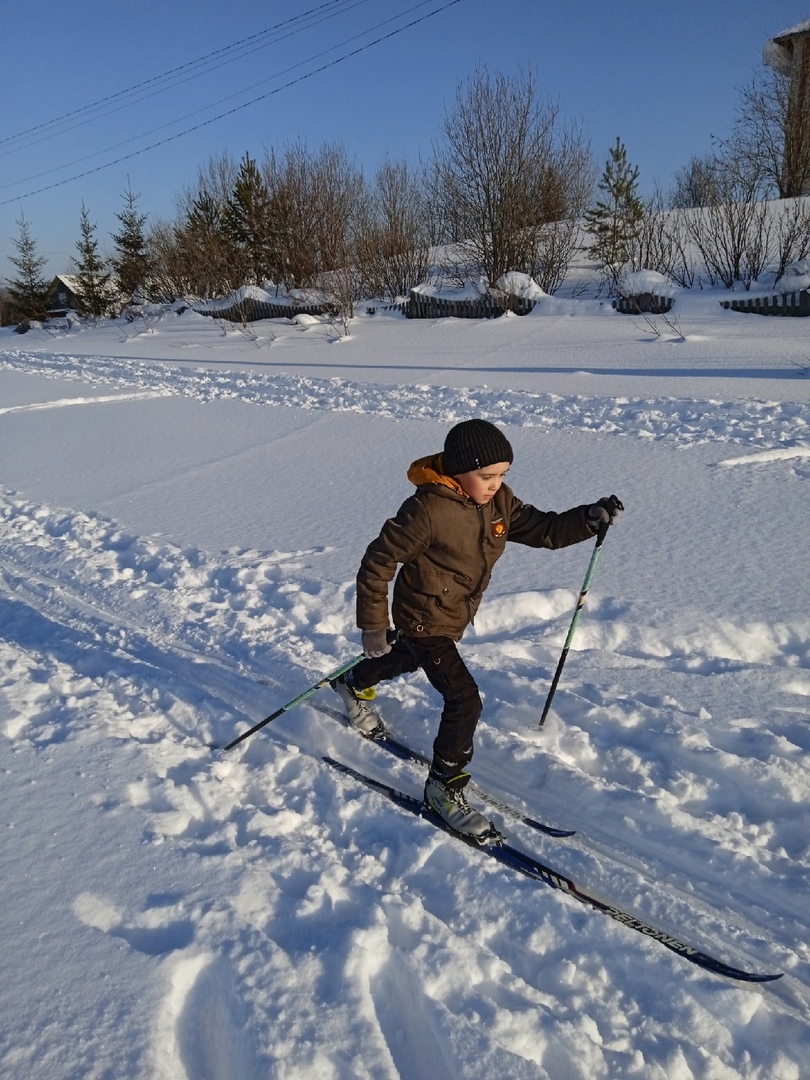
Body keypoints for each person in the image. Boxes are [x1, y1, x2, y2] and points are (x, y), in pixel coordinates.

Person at [331, 418, 622, 841]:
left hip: (450, 614)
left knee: (408, 656)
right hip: (424, 615)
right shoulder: (427, 510)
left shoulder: (497, 501)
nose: (495, 483)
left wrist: (588, 519)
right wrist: (374, 625)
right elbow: (378, 562)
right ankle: (443, 788)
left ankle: (353, 681)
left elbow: (543, 529)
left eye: (502, 474)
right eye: (486, 476)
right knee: (464, 698)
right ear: (457, 470)